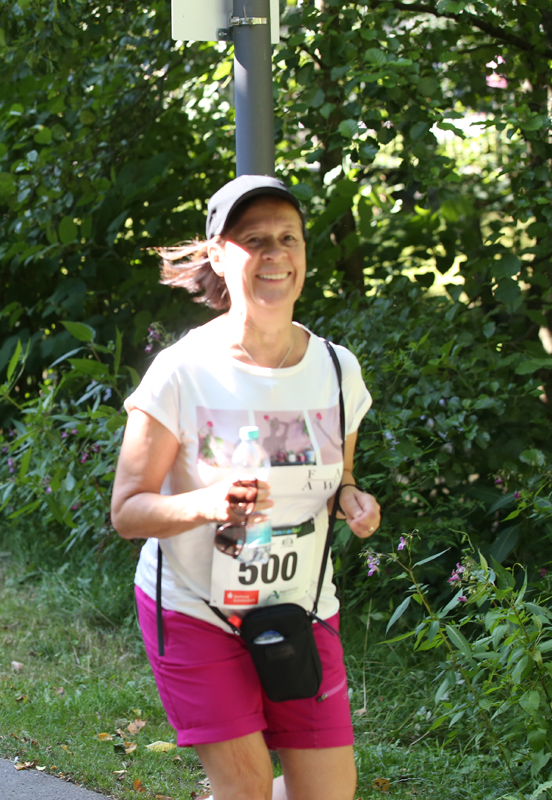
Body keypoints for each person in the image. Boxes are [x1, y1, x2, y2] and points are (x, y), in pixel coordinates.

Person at [110, 175, 382, 800]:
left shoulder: (337, 370)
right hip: (195, 609)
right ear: (218, 255)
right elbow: (128, 512)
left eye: (288, 238)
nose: (275, 254)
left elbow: (340, 477)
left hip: (303, 605)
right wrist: (208, 502)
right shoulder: (182, 371)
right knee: (246, 787)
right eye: (254, 239)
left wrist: (351, 500)